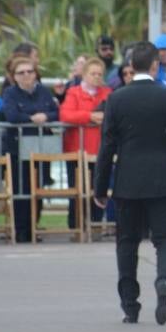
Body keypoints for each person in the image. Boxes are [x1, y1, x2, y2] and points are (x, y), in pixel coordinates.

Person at [92, 41, 166, 326]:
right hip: (163, 179)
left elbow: (107, 148)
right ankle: (164, 280)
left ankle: (130, 303)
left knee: (126, 242)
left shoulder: (117, 99)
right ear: (155, 65)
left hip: (128, 181)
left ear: (131, 66)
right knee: (165, 239)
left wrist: (100, 188)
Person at [2, 55, 59, 243]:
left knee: (38, 188)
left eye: (30, 71)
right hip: (18, 147)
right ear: (14, 76)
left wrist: (46, 117)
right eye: (21, 72)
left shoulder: (43, 91)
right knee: (21, 189)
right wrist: (32, 118)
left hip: (40, 146)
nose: (26, 75)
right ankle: (21, 230)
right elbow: (11, 115)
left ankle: (34, 227)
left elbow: (55, 111)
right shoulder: (10, 93)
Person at [59, 59, 111, 229]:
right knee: (77, 190)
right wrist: (90, 116)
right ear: (84, 74)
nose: (96, 77)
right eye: (93, 73)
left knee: (98, 189)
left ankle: (95, 225)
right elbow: (66, 115)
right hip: (77, 150)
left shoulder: (107, 93)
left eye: (99, 74)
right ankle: (76, 226)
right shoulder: (74, 92)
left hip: (100, 150)